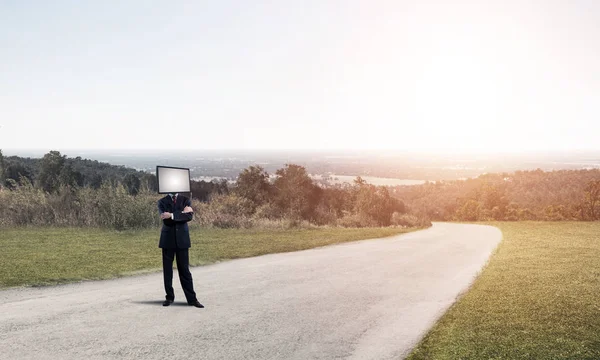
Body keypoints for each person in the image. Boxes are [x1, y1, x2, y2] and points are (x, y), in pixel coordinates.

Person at [158, 192, 204, 308]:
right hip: (167, 240)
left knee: (185, 270)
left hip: (182, 240)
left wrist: (172, 215)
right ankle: (169, 297)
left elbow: (188, 217)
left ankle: (192, 299)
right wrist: (181, 213)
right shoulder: (162, 201)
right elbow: (166, 220)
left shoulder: (185, 200)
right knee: (167, 271)